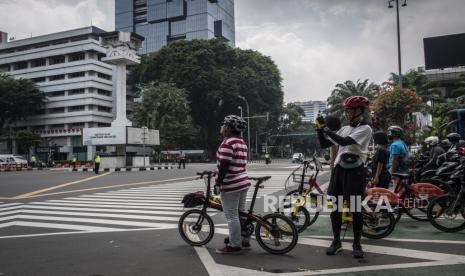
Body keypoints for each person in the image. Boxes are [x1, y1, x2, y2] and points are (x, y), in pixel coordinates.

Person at [316, 96, 372, 259]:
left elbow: (344, 141)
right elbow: (326, 144)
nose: (346, 113)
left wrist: (326, 129)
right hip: (340, 170)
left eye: (349, 110)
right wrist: (319, 129)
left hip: (355, 172)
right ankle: (336, 241)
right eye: (346, 110)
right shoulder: (345, 128)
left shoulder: (366, 128)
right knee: (335, 207)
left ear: (360, 111)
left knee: (355, 208)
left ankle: (357, 243)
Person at [214, 115, 250, 254]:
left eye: (224, 124)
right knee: (241, 213)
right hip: (243, 182)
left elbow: (224, 165)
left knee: (232, 216)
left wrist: (218, 183)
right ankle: (244, 239)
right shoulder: (241, 142)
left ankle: (234, 245)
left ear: (229, 127)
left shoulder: (228, 143)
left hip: (231, 184)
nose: (222, 127)